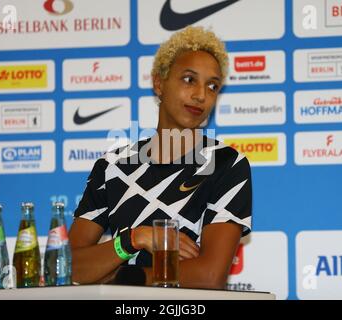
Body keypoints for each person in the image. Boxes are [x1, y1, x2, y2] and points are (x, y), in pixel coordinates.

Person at [69, 26, 252, 289]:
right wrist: (135, 239)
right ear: (159, 83)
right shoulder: (113, 167)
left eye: (212, 86)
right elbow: (70, 266)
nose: (201, 95)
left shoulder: (227, 165)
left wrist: (127, 277)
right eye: (189, 80)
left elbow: (210, 276)